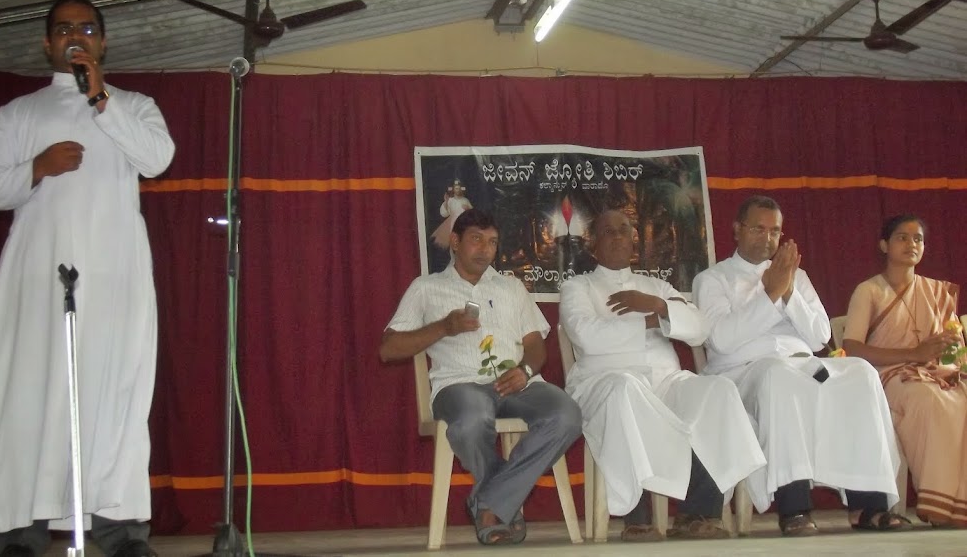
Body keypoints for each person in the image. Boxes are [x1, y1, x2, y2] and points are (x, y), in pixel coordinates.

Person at [0, 0, 175, 557]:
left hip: (114, 277)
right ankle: (20, 531)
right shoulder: (19, 113)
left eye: (87, 28)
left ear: (103, 41)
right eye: (64, 29)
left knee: (115, 394)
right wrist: (36, 167)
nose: (76, 36)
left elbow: (157, 159)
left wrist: (100, 98)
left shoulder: (133, 104)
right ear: (47, 43)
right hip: (37, 277)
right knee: (29, 396)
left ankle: (119, 530)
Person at [692, 195, 908, 536]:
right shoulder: (713, 279)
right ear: (737, 230)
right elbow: (722, 340)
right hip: (745, 372)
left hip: (804, 366)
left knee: (861, 373)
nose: (767, 238)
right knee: (778, 375)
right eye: (758, 229)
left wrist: (788, 292)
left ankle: (868, 505)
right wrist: (770, 295)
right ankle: (794, 507)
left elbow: (820, 336)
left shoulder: (797, 276)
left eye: (775, 231)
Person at [560, 210, 765, 541]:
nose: (618, 237)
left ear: (634, 240)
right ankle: (637, 518)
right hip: (605, 381)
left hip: (665, 382)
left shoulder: (656, 287)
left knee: (719, 390)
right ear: (593, 244)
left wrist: (659, 305)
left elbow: (698, 329)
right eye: (608, 231)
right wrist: (651, 321)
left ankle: (698, 512)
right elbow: (587, 336)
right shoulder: (577, 287)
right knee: (626, 389)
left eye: (624, 230)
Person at [381, 209, 582, 545]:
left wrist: (525, 371)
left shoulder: (512, 287)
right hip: (460, 386)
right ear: (455, 241)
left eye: (492, 242)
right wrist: (444, 327)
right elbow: (389, 349)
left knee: (567, 415)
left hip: (518, 384)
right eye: (476, 239)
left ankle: (490, 501)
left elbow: (535, 346)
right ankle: (498, 505)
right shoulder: (426, 287)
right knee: (472, 419)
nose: (485, 249)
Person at [843, 214, 967, 528]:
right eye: (902, 237)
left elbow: (955, 349)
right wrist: (914, 354)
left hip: (936, 373)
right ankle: (940, 504)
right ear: (884, 245)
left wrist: (949, 348)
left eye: (918, 239)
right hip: (889, 375)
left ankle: (961, 503)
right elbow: (852, 348)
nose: (911, 244)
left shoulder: (937, 291)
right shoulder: (869, 290)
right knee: (929, 400)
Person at [430, 178, 473, 249]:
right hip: (453, 224)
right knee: (454, 241)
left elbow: (473, 213)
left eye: (459, 188)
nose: (457, 190)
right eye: (456, 188)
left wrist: (468, 209)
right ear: (453, 189)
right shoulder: (450, 201)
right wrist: (446, 202)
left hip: (464, 224)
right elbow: (444, 214)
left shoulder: (465, 200)